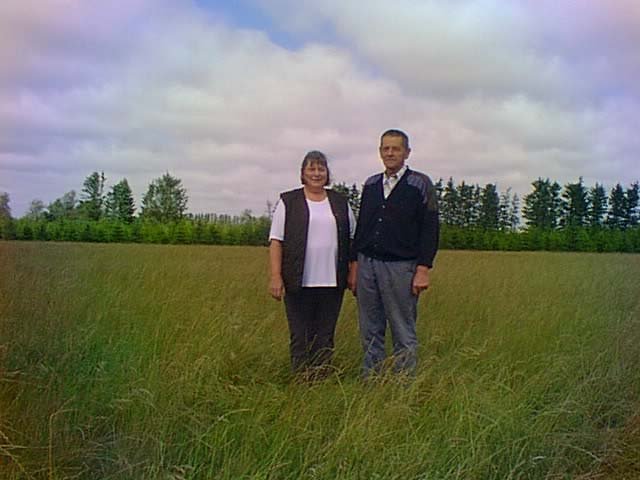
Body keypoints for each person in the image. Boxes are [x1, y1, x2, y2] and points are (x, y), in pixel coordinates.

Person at [348, 129, 439, 378]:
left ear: (406, 152)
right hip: (367, 266)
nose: (390, 153)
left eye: (395, 148)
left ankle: (402, 386)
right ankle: (372, 380)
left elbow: (430, 229)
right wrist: (354, 265)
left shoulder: (420, 184)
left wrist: (423, 269)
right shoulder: (371, 184)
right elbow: (362, 226)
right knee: (370, 328)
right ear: (380, 152)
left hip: (401, 268)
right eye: (385, 148)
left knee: (402, 329)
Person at [269, 151, 356, 379]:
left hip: (332, 281)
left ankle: (321, 379)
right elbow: (277, 240)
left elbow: (352, 240)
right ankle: (300, 380)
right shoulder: (288, 202)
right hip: (298, 281)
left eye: (321, 169)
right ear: (303, 173)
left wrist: (353, 272)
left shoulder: (340, 202)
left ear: (327, 174)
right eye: (311, 169)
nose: (316, 174)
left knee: (325, 335)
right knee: (300, 334)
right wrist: (276, 276)